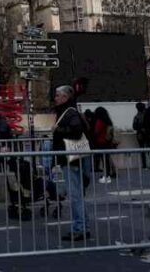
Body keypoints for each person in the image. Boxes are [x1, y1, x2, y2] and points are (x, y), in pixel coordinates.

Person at [52, 84, 90, 242]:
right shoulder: (70, 111)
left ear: (65, 97)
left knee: (75, 195)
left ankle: (79, 228)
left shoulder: (69, 113)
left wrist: (58, 129)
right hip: (74, 157)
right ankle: (82, 226)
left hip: (72, 158)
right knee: (77, 194)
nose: (55, 98)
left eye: (57, 95)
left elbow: (76, 131)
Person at [91, 107, 118, 184]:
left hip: (100, 143)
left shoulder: (99, 121)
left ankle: (106, 176)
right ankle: (109, 175)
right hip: (107, 142)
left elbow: (96, 131)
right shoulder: (107, 121)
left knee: (104, 160)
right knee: (106, 159)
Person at [132, 101, 149, 170]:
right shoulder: (147, 115)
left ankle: (144, 165)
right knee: (149, 149)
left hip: (140, 135)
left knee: (142, 151)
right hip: (147, 134)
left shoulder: (136, 117)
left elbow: (134, 127)